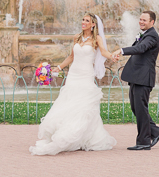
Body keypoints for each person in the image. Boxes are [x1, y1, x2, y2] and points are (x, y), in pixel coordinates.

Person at [30, 13, 117, 155]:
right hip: (73, 75)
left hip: (86, 76)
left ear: (93, 24)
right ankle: (66, 135)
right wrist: (58, 67)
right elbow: (71, 56)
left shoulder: (97, 39)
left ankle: (82, 137)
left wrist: (112, 56)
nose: (83, 22)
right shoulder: (76, 37)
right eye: (83, 19)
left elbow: (104, 52)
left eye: (87, 20)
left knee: (84, 106)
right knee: (69, 104)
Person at [112, 11, 159, 151]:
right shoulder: (145, 34)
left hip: (143, 78)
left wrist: (121, 51)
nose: (141, 22)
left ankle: (144, 141)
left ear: (152, 22)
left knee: (141, 109)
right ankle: (156, 132)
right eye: (140, 19)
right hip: (136, 77)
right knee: (137, 108)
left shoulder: (152, 35)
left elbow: (140, 48)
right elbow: (137, 50)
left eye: (144, 20)